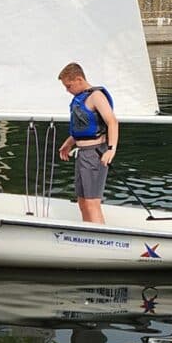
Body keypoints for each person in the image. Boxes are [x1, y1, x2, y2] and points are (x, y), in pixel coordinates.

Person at [57, 62, 119, 224]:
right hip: (82, 153)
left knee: (92, 202)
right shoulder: (79, 99)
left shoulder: (96, 96)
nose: (67, 90)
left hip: (95, 153)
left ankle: (102, 241)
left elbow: (112, 122)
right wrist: (69, 142)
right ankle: (88, 234)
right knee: (83, 201)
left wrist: (111, 149)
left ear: (79, 79)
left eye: (68, 86)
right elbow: (83, 128)